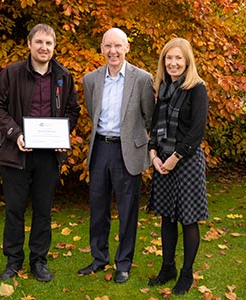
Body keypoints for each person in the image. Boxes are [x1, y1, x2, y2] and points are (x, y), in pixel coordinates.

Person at [0, 23, 80, 282]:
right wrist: (15, 134)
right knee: (14, 210)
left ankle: (38, 261)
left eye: (49, 43)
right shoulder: (12, 73)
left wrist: (64, 135)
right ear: (29, 44)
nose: (44, 47)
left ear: (54, 46)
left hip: (48, 156)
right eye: (39, 42)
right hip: (17, 154)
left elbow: (73, 111)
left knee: (43, 211)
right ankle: (13, 261)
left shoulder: (63, 76)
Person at [77, 28, 155, 284]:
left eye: (118, 46)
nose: (113, 51)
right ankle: (99, 259)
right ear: (101, 48)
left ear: (127, 48)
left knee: (127, 210)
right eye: (108, 46)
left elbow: (149, 117)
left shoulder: (142, 79)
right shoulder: (91, 79)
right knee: (98, 208)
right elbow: (92, 111)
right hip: (100, 148)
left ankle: (123, 263)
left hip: (127, 151)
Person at [147, 37, 209, 295]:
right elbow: (154, 126)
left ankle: (186, 274)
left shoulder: (197, 88)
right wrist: (153, 155)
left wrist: (174, 158)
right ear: (164, 62)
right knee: (166, 218)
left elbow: (196, 132)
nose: (173, 63)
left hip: (187, 162)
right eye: (168, 58)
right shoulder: (163, 88)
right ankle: (167, 268)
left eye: (178, 58)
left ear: (187, 61)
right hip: (162, 161)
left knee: (188, 220)